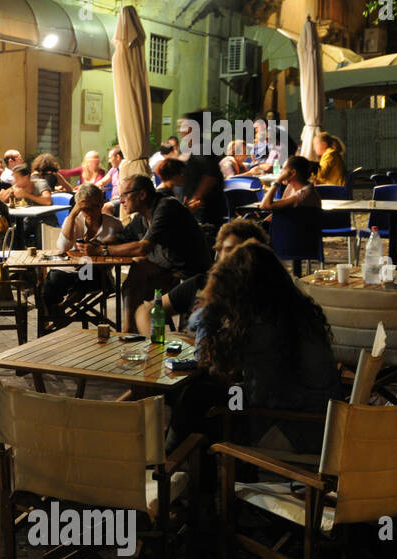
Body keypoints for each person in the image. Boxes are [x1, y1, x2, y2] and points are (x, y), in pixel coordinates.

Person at [166, 240, 341, 455]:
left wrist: (208, 315)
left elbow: (205, 358)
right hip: (311, 418)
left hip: (292, 428)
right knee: (205, 392)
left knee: (197, 401)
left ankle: (169, 467)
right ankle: (178, 467)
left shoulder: (264, 328)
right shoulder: (292, 313)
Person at [105, 174, 211, 330]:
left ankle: (133, 330)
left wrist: (104, 250)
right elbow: (121, 238)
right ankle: (129, 331)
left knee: (139, 268)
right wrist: (95, 242)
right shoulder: (141, 217)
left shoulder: (166, 207)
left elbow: (143, 248)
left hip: (190, 275)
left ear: (142, 194)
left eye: (124, 195)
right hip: (167, 269)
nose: (120, 200)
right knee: (137, 269)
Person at [133, 218, 268, 337]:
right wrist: (157, 342)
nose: (224, 257)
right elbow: (145, 310)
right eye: (221, 250)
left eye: (232, 250)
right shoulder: (201, 284)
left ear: (254, 253)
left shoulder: (265, 294)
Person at [41, 183, 124, 328]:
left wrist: (99, 248)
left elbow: (120, 249)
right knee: (52, 281)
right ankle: (53, 318)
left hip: (98, 272)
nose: (90, 212)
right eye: (85, 208)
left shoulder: (114, 224)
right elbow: (62, 247)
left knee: (87, 277)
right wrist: (73, 214)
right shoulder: (74, 220)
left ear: (102, 203)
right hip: (70, 268)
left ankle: (61, 310)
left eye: (95, 207)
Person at [0, 162, 53, 248]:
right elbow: (1, 200)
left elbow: (47, 201)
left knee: (37, 231)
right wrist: (3, 196)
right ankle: (17, 255)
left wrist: (26, 195)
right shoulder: (16, 187)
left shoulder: (40, 183)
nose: (14, 182)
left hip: (45, 219)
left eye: (17, 178)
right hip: (27, 220)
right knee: (12, 232)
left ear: (26, 177)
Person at [183, 142, 226, 231]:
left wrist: (195, 199)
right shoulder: (196, 148)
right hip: (201, 207)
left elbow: (210, 177)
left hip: (204, 207)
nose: (180, 131)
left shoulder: (201, 148)